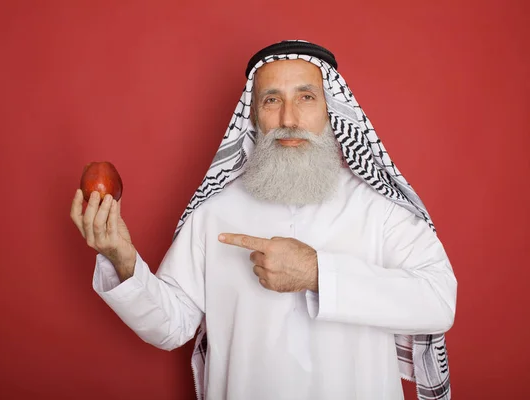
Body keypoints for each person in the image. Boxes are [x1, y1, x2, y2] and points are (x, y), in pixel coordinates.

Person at [70, 40, 457, 400]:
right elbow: (171, 326)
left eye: (306, 97)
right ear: (253, 114)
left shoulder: (378, 207)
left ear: (331, 108)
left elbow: (439, 301)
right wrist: (122, 259)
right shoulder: (215, 210)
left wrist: (317, 273)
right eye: (272, 100)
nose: (289, 118)